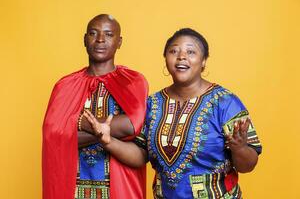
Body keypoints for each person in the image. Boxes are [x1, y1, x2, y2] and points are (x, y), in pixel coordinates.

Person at [83, 28, 262, 198]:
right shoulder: (152, 104)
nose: (181, 57)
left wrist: (240, 149)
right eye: (174, 51)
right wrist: (107, 141)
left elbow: (248, 165)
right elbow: (140, 154)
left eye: (191, 52)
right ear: (165, 59)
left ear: (204, 61)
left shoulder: (225, 102)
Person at [42, 14, 148, 199]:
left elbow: (131, 125)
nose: (100, 39)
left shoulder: (133, 81)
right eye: (93, 33)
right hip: (72, 189)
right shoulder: (65, 85)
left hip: (120, 188)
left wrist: (76, 123)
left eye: (108, 34)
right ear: (85, 39)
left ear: (119, 41)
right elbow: (52, 137)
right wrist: (102, 132)